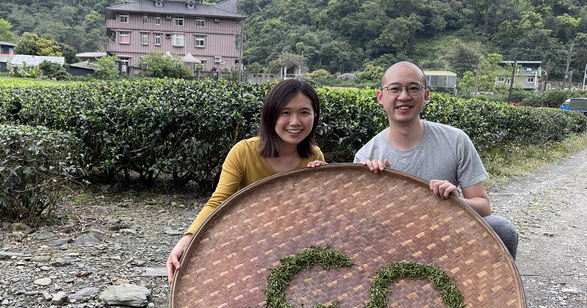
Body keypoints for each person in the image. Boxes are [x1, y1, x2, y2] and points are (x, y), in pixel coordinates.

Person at [355, 61, 519, 259]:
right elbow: (361, 223)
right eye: (395, 89)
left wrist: (456, 201)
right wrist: (369, 184)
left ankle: (502, 290)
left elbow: (483, 206)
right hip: (392, 244)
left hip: (448, 237)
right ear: (380, 97)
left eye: (413, 88)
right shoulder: (367, 156)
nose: (404, 96)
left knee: (501, 228)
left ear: (425, 96)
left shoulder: (456, 140)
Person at [166, 79, 325, 283]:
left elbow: (314, 214)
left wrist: (321, 186)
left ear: (314, 116)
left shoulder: (314, 156)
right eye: (285, 113)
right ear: (270, 115)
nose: (295, 122)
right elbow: (218, 202)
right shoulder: (243, 152)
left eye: (304, 112)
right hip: (244, 245)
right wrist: (186, 240)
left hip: (291, 247)